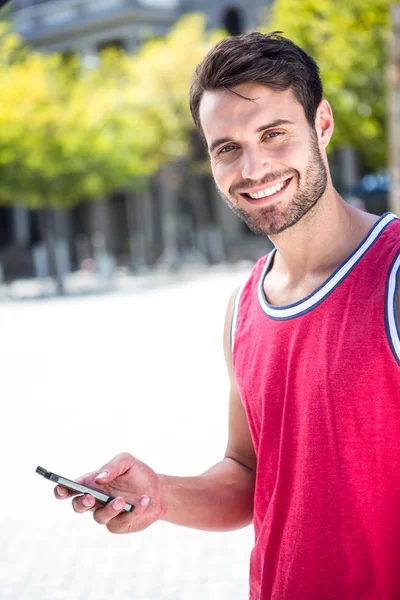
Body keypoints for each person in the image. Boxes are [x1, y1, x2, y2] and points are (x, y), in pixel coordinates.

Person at [55, 32, 400, 599]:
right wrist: (158, 495)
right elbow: (248, 475)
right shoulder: (243, 307)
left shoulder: (393, 273)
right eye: (227, 147)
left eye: (273, 134)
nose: (254, 167)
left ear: (323, 125)